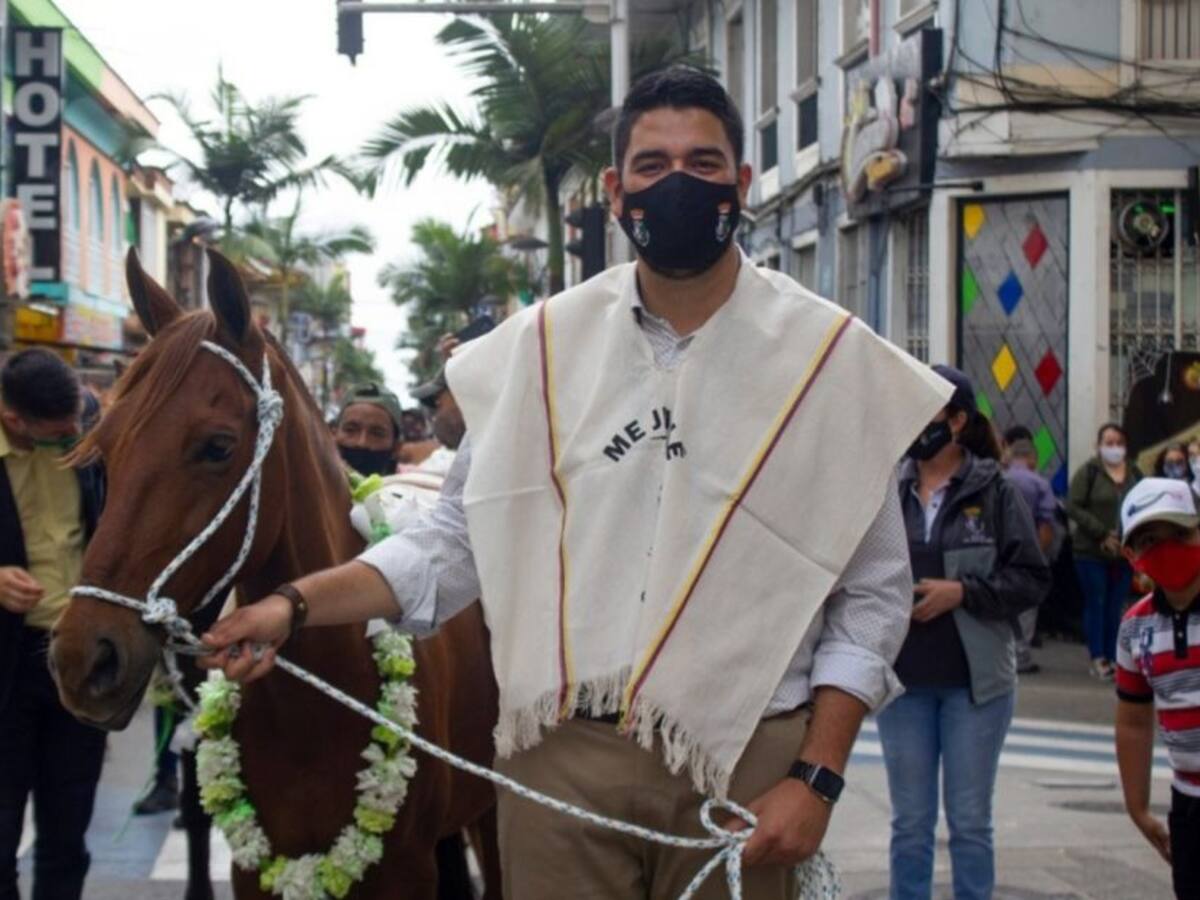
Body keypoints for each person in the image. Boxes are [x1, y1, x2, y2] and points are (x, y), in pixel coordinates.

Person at [200, 66, 951, 899]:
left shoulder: (828, 361)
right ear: (615, 190)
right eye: (651, 165)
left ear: (741, 183)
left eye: (702, 164)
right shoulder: (539, 351)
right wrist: (292, 605)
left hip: (747, 759)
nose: (677, 183)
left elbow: (873, 594)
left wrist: (817, 778)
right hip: (561, 761)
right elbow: (453, 545)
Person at [879, 365, 1050, 900]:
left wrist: (963, 592)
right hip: (901, 684)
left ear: (956, 421)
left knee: (970, 823)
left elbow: (1032, 578)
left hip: (975, 688)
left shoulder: (995, 490)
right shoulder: (888, 486)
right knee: (910, 825)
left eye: (925, 411)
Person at [0, 349, 106, 900]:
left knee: (68, 833)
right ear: (14, 420)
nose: (73, 438)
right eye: (59, 433)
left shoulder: (85, 439)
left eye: (77, 424)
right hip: (9, 667)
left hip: (75, 661)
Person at [1113, 477, 1200, 899]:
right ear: (1131, 555)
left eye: (1179, 535)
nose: (1167, 550)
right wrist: (1138, 808)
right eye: (1150, 541)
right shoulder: (1136, 627)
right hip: (1189, 803)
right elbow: (1133, 720)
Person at [1066, 423, 1142, 679]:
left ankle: (1115, 656)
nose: (1114, 448)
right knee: (1096, 603)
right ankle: (1098, 656)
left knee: (1116, 606)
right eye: (1109, 443)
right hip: (1091, 552)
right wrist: (1101, 533)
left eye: (1119, 443)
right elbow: (1073, 506)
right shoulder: (1089, 472)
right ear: (1098, 446)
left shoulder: (1135, 473)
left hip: (1124, 553)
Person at [1004, 436, 1058, 673]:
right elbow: (1045, 523)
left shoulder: (998, 479)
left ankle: (1005, 652)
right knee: (1026, 605)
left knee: (1002, 601)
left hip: (1000, 552)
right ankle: (1021, 655)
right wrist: (1039, 555)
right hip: (1027, 551)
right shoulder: (1039, 484)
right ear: (1033, 458)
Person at [334, 382, 406, 477]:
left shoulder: (411, 484)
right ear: (333, 435)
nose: (362, 443)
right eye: (350, 430)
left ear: (396, 447)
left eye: (377, 434)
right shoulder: (317, 482)